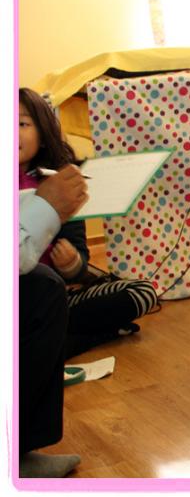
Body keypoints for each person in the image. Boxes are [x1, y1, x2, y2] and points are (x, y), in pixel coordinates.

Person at [19, 88, 158, 359]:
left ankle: (46, 343)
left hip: (57, 300)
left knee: (141, 292)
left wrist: (72, 265)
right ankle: (90, 337)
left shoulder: (63, 186)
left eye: (22, 124)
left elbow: (81, 266)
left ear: (43, 135)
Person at [19, 159, 88, 477]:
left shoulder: (51, 177)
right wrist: (46, 208)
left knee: (44, 286)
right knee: (42, 287)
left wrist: (72, 264)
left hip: (70, 292)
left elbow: (81, 266)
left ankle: (17, 448)